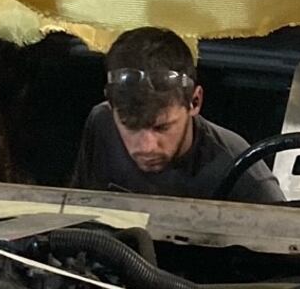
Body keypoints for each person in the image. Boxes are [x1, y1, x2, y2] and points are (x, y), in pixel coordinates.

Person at [72, 27, 285, 204]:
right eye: (131, 127)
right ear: (111, 106)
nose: (147, 147)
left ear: (194, 102)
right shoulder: (101, 123)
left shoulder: (240, 171)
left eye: (162, 127)